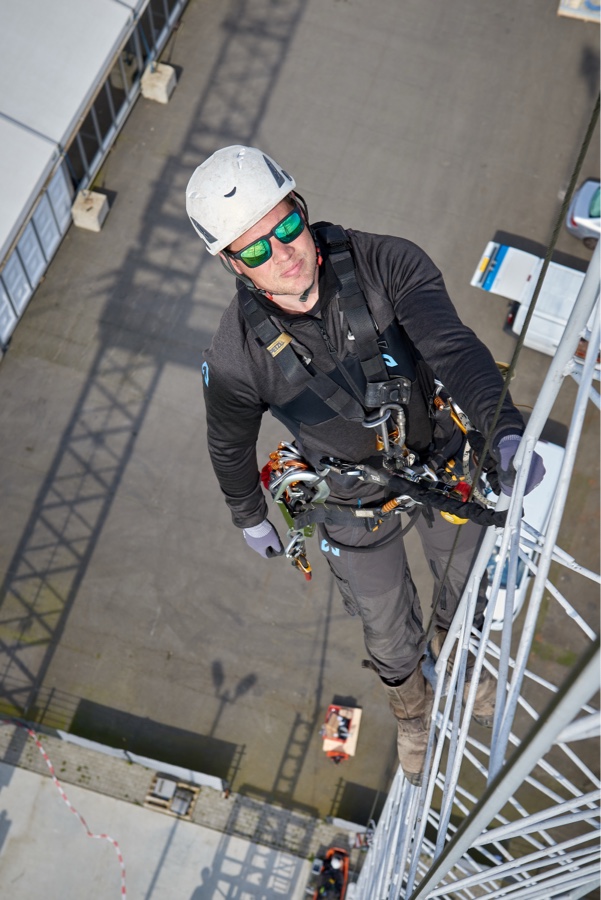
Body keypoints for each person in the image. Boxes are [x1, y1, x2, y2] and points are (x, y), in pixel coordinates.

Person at [186, 145, 545, 785]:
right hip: (352, 493)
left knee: (467, 582)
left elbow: (456, 350)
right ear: (229, 263)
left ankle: (463, 662)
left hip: (440, 459)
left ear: (301, 208)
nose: (284, 253)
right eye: (256, 249)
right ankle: (412, 710)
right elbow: (229, 444)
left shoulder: (385, 263)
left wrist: (503, 432)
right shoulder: (238, 357)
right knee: (384, 625)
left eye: (286, 226)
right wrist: (248, 514)